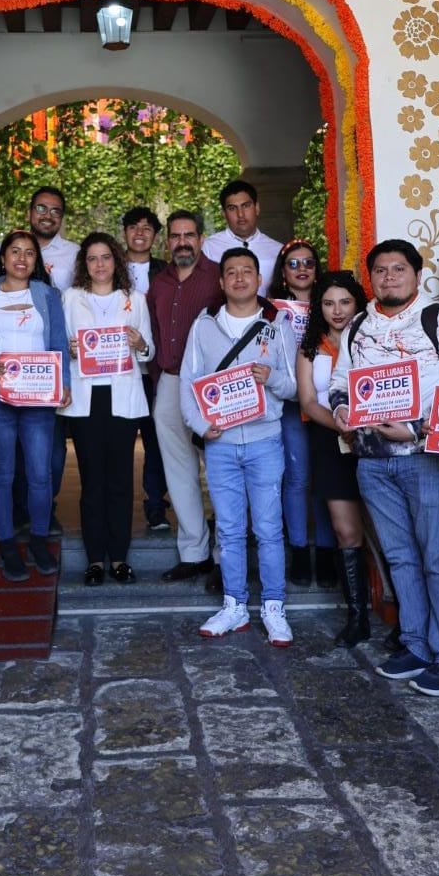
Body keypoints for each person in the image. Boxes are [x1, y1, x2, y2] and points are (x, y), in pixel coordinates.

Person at [329, 239, 439, 696]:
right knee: (400, 558)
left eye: (399, 269)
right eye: (381, 271)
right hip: (371, 462)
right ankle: (416, 645)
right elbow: (338, 384)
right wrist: (341, 412)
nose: (389, 278)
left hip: (425, 458)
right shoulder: (356, 326)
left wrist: (413, 429)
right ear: (370, 278)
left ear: (416, 273)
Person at [181, 248, 297, 645]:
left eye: (247, 271)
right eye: (231, 272)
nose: (240, 278)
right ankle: (234, 606)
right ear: (221, 281)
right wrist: (201, 425)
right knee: (229, 531)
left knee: (267, 528)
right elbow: (187, 383)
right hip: (222, 445)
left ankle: (274, 607)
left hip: (265, 440)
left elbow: (295, 386)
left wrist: (272, 379)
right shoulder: (204, 326)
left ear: (258, 278)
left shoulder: (277, 324)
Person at [0, 231, 71, 582]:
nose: (22, 258)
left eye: (29, 253)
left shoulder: (47, 295)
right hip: (0, 398)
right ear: (3, 258)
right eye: (15, 251)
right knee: (3, 473)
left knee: (40, 474)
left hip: (39, 399)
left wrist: (65, 383)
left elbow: (58, 340)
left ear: (36, 261)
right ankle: (7, 544)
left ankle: (39, 540)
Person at [62, 233, 154, 585]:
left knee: (120, 481)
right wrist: (69, 350)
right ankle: (94, 560)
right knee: (91, 481)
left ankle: (119, 557)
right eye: (92, 259)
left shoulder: (135, 299)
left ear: (116, 261)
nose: (100, 265)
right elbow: (60, 345)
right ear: (84, 264)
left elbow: (150, 354)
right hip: (86, 399)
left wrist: (140, 343)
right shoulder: (70, 298)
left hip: (123, 398)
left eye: (106, 258)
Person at [0, 188, 77, 528]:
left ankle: (42, 518)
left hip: (44, 385)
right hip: (2, 391)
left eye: (55, 210)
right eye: (40, 207)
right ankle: (13, 526)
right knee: (5, 467)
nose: (47, 215)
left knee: (49, 461)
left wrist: (64, 379)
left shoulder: (61, 275)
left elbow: (60, 329)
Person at [297, 270, 373, 647]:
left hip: (379, 439)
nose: (337, 310)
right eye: (328, 303)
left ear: (357, 302)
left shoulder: (375, 340)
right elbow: (309, 400)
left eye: (345, 302)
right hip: (331, 441)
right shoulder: (311, 346)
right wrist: (343, 426)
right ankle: (358, 616)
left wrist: (363, 426)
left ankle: (401, 611)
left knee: (387, 530)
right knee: (346, 531)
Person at [147, 210, 223, 581]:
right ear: (167, 242)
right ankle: (194, 552)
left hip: (212, 386)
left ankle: (227, 553)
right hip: (171, 381)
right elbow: (155, 331)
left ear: (201, 239)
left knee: (222, 468)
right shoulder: (158, 282)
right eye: (175, 236)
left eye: (189, 235)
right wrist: (160, 375)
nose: (182, 242)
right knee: (178, 469)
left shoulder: (218, 278)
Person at [268, 238, 338, 589]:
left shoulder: (333, 304)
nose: (301, 269)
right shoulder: (271, 311)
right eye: (293, 264)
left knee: (325, 477)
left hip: (328, 404)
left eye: (308, 262)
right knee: (297, 477)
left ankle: (326, 550)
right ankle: (298, 549)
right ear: (282, 272)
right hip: (290, 405)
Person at [121, 205, 170, 533]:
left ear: (156, 236)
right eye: (134, 227)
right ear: (124, 231)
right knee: (120, 442)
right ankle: (119, 506)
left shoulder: (166, 273)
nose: (140, 233)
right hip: (116, 370)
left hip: (153, 368)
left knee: (156, 440)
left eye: (147, 228)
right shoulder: (107, 268)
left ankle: (156, 507)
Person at [201, 179, 283, 290]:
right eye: (232, 208)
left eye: (246, 206)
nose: (240, 214)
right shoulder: (208, 248)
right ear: (224, 214)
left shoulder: (277, 250)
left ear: (257, 208)